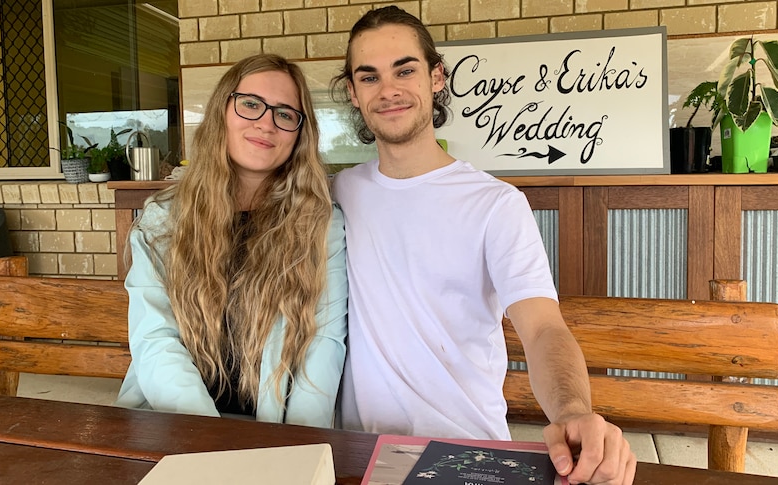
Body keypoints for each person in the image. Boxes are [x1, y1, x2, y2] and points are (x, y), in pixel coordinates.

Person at [330, 6, 635, 484]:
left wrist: (573, 411)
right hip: (359, 456)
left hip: (465, 453)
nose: (387, 90)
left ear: (436, 78)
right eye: (369, 77)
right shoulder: (338, 194)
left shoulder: (496, 204)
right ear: (352, 92)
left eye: (404, 70)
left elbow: (541, 329)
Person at [115, 54, 347, 427]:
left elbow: (324, 343)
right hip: (178, 422)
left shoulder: (322, 223)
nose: (266, 124)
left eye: (285, 114)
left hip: (276, 430)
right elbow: (155, 340)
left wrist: (300, 447)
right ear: (222, 110)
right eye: (251, 104)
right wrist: (212, 443)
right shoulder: (164, 218)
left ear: (299, 135)